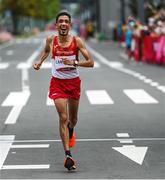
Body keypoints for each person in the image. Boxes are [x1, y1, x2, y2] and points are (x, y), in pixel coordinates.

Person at [33, 10, 94, 171]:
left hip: (73, 83)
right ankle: (68, 155)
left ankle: (71, 130)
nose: (63, 24)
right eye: (61, 21)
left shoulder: (77, 41)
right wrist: (39, 62)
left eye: (66, 21)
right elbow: (46, 50)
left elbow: (91, 62)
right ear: (56, 24)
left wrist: (75, 63)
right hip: (57, 83)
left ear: (70, 25)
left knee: (73, 119)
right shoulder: (51, 40)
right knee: (63, 117)